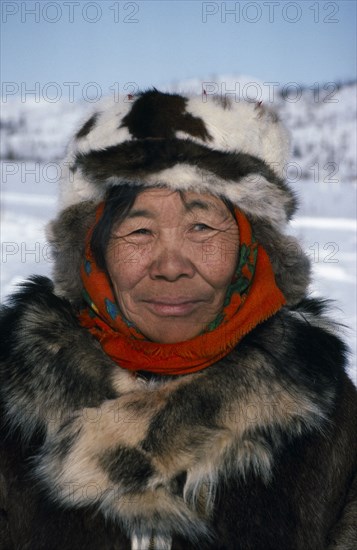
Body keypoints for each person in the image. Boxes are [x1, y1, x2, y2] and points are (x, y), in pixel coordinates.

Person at [0, 89, 356, 550]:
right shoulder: (13, 401)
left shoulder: (330, 416)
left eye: (202, 227)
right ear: (95, 252)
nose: (171, 266)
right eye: (140, 230)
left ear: (253, 249)